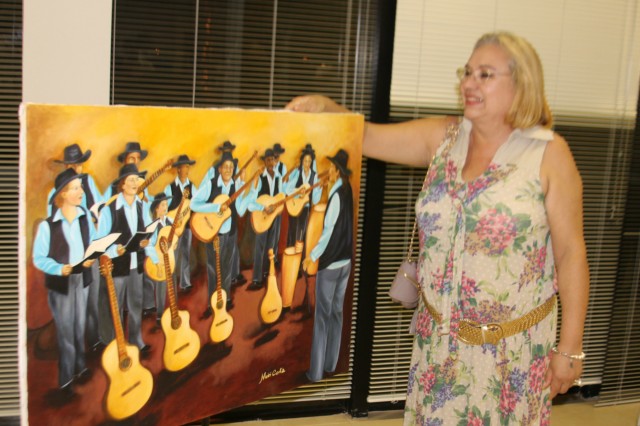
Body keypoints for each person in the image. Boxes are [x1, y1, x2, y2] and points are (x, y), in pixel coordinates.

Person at [287, 31, 589, 425]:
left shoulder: (548, 153)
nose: (468, 83)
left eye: (485, 74)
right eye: (467, 72)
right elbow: (367, 136)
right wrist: (326, 108)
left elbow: (571, 253)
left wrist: (570, 349)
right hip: (439, 348)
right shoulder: (443, 138)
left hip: (511, 353)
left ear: (522, 84)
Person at [33, 169, 96, 395]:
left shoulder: (83, 217)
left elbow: (91, 243)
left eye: (80, 187)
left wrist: (90, 258)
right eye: (76, 188)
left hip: (82, 278)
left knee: (80, 327)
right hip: (62, 283)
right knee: (66, 331)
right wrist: (60, 268)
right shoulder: (47, 226)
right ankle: (66, 379)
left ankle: (80, 367)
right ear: (63, 195)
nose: (81, 192)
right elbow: (39, 258)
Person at [302, 149, 353, 383]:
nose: (328, 171)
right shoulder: (347, 189)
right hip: (346, 262)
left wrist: (311, 256)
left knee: (322, 317)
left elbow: (328, 231)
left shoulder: (335, 196)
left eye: (331, 168)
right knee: (336, 313)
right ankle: (332, 363)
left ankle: (315, 372)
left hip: (331, 264)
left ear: (336, 171)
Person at [96, 164, 152, 356]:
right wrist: (114, 250)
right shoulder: (109, 209)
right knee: (116, 306)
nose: (135, 183)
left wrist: (146, 242)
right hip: (118, 267)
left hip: (136, 264)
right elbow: (99, 242)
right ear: (122, 184)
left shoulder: (142, 206)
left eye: (136, 179)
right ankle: (118, 347)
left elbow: (147, 231)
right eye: (131, 180)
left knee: (136, 303)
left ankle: (136, 341)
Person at [191, 152, 252, 314]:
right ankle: (212, 302)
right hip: (213, 232)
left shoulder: (235, 185)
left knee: (227, 267)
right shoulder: (210, 184)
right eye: (225, 167)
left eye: (231, 167)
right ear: (219, 169)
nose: (228, 170)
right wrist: (215, 207)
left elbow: (239, 209)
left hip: (230, 233)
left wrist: (249, 191)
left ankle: (224, 299)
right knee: (212, 269)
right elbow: (194, 204)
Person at [247, 148, 283, 291]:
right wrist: (264, 208)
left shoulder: (279, 177)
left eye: (273, 160)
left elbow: (280, 196)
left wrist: (276, 207)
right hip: (262, 216)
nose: (270, 162)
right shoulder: (260, 178)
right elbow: (254, 199)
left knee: (271, 245)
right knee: (260, 246)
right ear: (265, 162)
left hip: (274, 216)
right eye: (268, 160)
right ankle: (257, 278)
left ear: (275, 161)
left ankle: (269, 272)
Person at [164, 154, 197, 292]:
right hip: (173, 228)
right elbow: (165, 210)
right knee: (173, 255)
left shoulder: (192, 186)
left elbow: (196, 205)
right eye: (184, 167)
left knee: (186, 253)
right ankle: (170, 284)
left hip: (187, 226)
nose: (186, 170)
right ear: (178, 170)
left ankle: (185, 282)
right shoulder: (170, 188)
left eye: (188, 167)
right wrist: (172, 222)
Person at [144, 193, 173, 325]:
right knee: (161, 286)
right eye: (163, 205)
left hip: (170, 257)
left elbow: (175, 238)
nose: (165, 207)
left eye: (166, 204)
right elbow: (149, 245)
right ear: (156, 208)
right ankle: (160, 315)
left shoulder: (170, 221)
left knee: (171, 284)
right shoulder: (153, 225)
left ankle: (173, 310)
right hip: (157, 259)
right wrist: (157, 262)